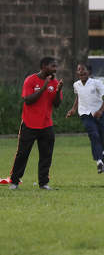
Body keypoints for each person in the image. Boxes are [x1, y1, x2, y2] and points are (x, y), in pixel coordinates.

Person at [9, 57, 63, 190]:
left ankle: (43, 183)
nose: (55, 69)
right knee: (22, 154)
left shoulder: (54, 82)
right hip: (29, 124)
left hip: (46, 125)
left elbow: (56, 104)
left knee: (46, 155)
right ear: (44, 66)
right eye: (52, 66)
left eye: (56, 66)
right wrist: (44, 86)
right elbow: (28, 100)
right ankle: (15, 182)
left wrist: (58, 90)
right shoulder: (30, 80)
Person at [66, 64, 104, 174]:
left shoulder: (96, 83)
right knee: (93, 135)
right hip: (85, 114)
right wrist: (73, 109)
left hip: (98, 114)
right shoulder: (76, 85)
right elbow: (78, 97)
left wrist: (100, 110)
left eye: (83, 70)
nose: (81, 72)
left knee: (101, 137)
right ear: (77, 73)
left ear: (88, 72)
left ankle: (101, 153)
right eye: (79, 70)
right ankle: (99, 162)